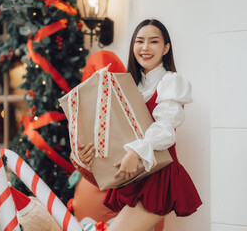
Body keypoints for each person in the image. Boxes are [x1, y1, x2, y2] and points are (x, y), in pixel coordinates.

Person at [76, 19, 202, 231]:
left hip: (157, 176)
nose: (145, 48)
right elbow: (115, 134)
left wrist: (135, 153)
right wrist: (90, 153)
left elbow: (166, 129)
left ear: (166, 48)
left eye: (153, 41)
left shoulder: (171, 81)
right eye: (139, 41)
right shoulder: (127, 84)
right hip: (132, 176)